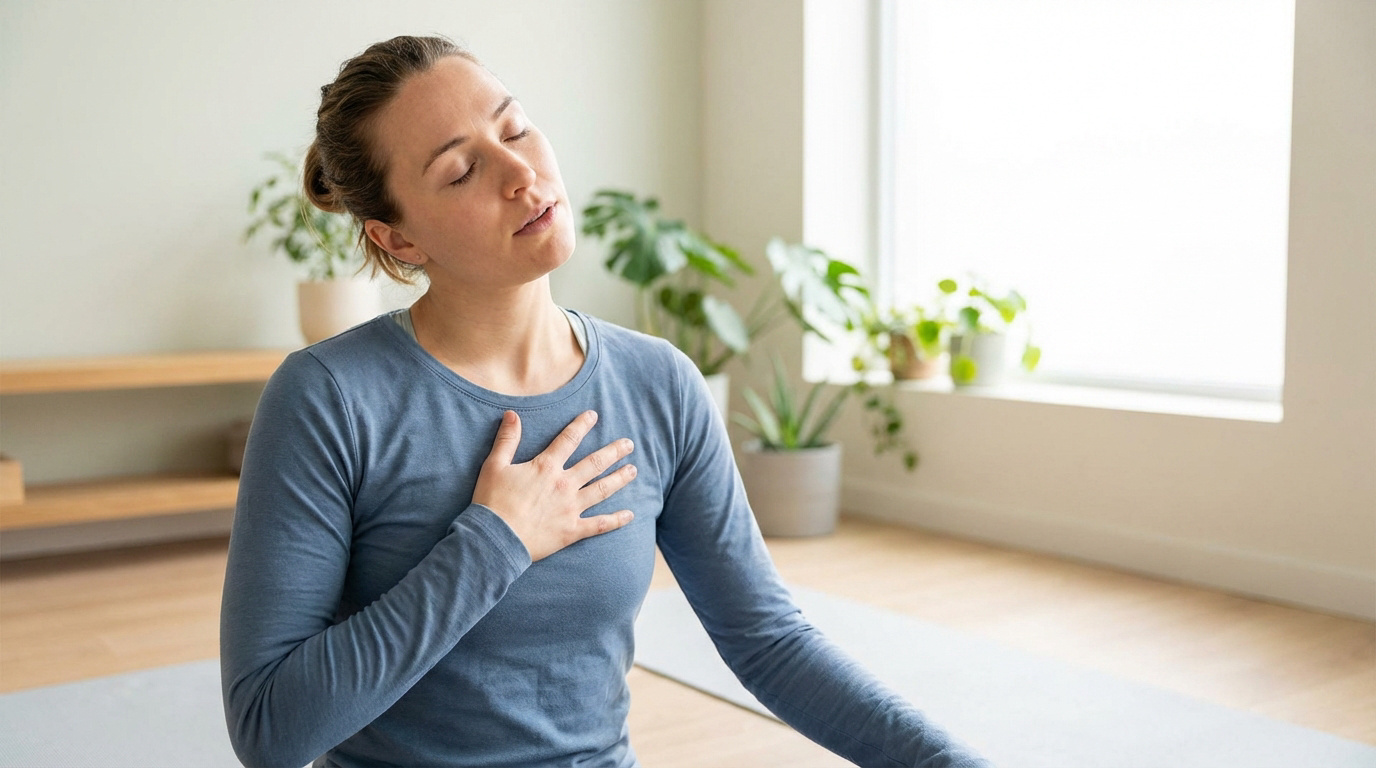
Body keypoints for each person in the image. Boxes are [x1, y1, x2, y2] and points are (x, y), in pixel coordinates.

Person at [219, 34, 990, 768]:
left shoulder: (658, 382)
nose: (520, 176)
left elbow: (768, 643)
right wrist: (494, 542)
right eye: (459, 172)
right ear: (398, 240)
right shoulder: (329, 398)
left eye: (515, 129)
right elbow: (270, 731)